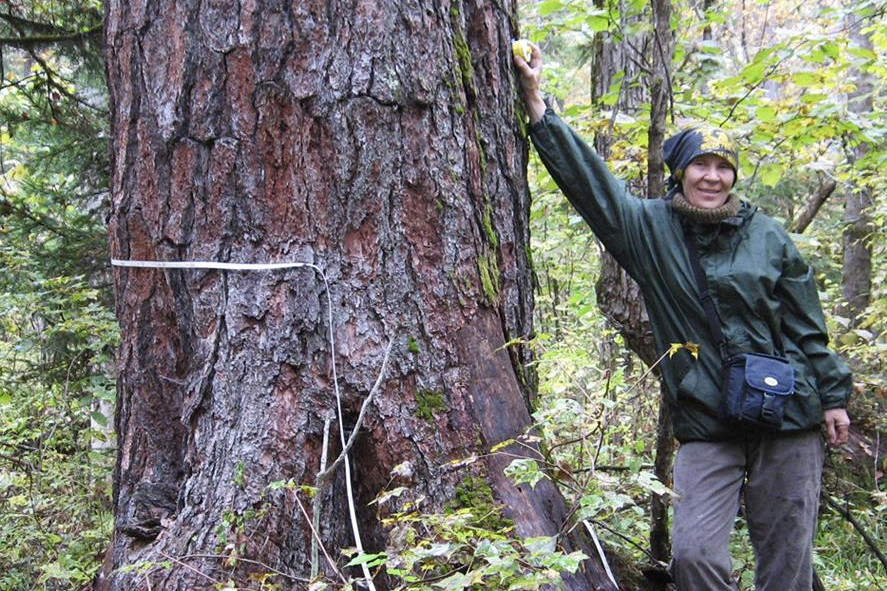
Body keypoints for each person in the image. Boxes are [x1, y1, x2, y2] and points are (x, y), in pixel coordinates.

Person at [513, 43, 852, 591]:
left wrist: (833, 396)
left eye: (723, 167)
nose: (713, 177)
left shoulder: (767, 235)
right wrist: (539, 110)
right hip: (708, 419)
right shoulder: (649, 231)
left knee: (787, 562)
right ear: (679, 171)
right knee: (695, 557)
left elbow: (805, 326)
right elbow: (592, 188)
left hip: (790, 419)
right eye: (701, 164)